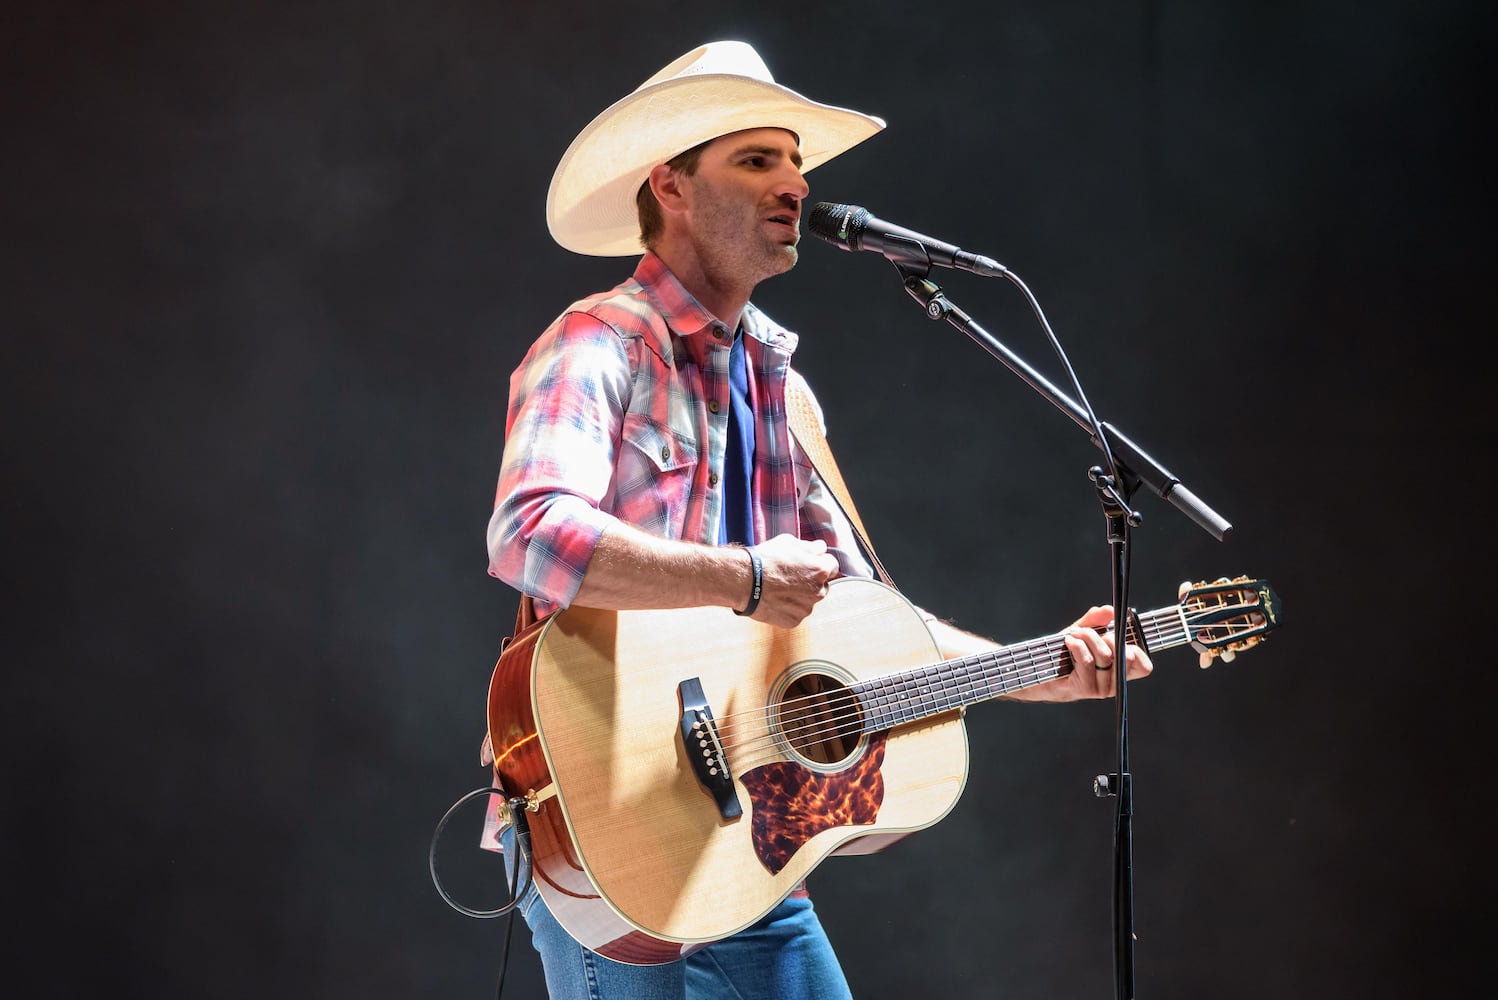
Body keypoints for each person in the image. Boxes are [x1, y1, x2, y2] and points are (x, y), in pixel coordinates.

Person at [485, 40, 1153, 1000]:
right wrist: (746, 580)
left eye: (797, 161)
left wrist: (1036, 668)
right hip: (608, 831)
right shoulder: (600, 343)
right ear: (671, 186)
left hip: (747, 839)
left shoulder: (785, 394)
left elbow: (865, 616)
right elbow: (531, 535)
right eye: (757, 160)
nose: (795, 182)